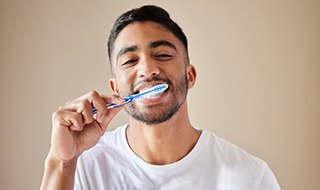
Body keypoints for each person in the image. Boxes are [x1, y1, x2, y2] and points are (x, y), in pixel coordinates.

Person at [41, 5, 281, 190]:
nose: (147, 69)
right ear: (115, 88)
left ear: (190, 76)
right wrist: (62, 162)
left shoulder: (250, 177)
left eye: (163, 54)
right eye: (130, 61)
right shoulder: (84, 166)